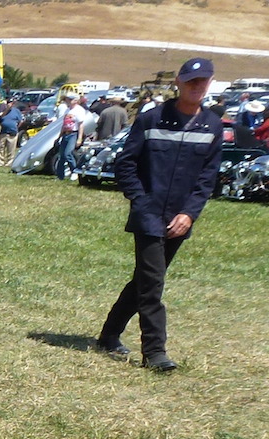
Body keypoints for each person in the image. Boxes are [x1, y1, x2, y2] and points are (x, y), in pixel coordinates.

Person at [96, 58, 224, 373]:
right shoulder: (152, 119)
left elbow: (208, 179)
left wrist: (189, 214)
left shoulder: (213, 125)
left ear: (209, 84)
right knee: (153, 284)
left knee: (144, 279)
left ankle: (108, 335)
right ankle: (155, 352)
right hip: (149, 215)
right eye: (191, 80)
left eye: (202, 81)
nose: (197, 86)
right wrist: (140, 200)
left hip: (180, 218)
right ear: (178, 82)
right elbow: (126, 163)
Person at [0, 97, 23, 168]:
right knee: (1, 148)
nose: (10, 104)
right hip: (3, 132)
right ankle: (1, 162)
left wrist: (16, 127)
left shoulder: (16, 111)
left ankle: (9, 162)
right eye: (9, 103)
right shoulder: (3, 110)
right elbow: (0, 117)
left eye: (11, 103)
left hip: (13, 132)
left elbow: (21, 121)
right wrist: (7, 109)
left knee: (11, 149)